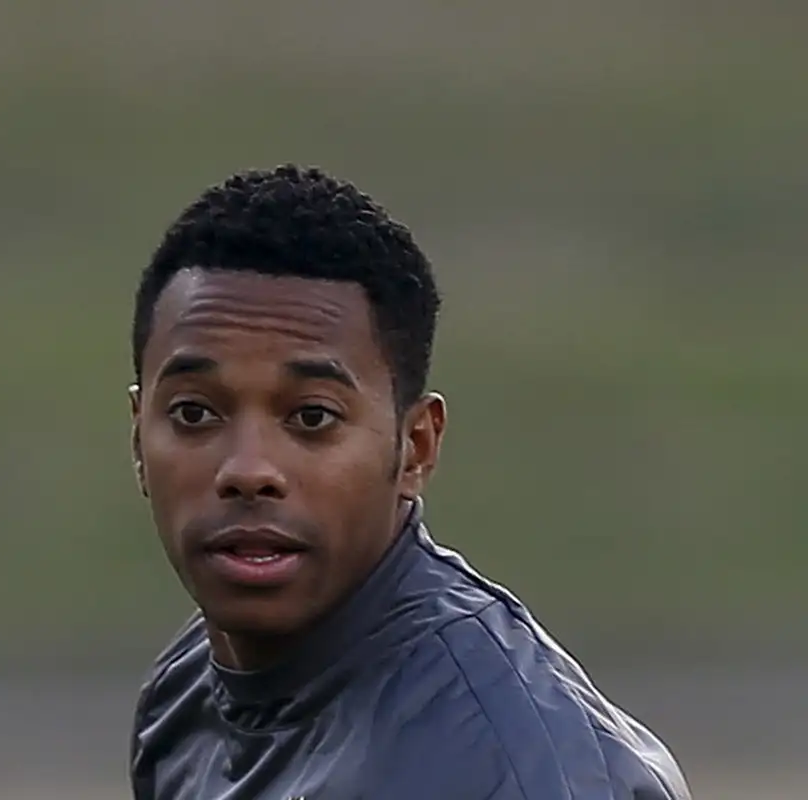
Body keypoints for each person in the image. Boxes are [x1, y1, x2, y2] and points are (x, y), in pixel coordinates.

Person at [126, 166, 690, 799]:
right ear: (138, 436)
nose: (249, 470)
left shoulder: (507, 764)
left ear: (415, 447)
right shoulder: (183, 699)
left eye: (312, 418)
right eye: (194, 413)